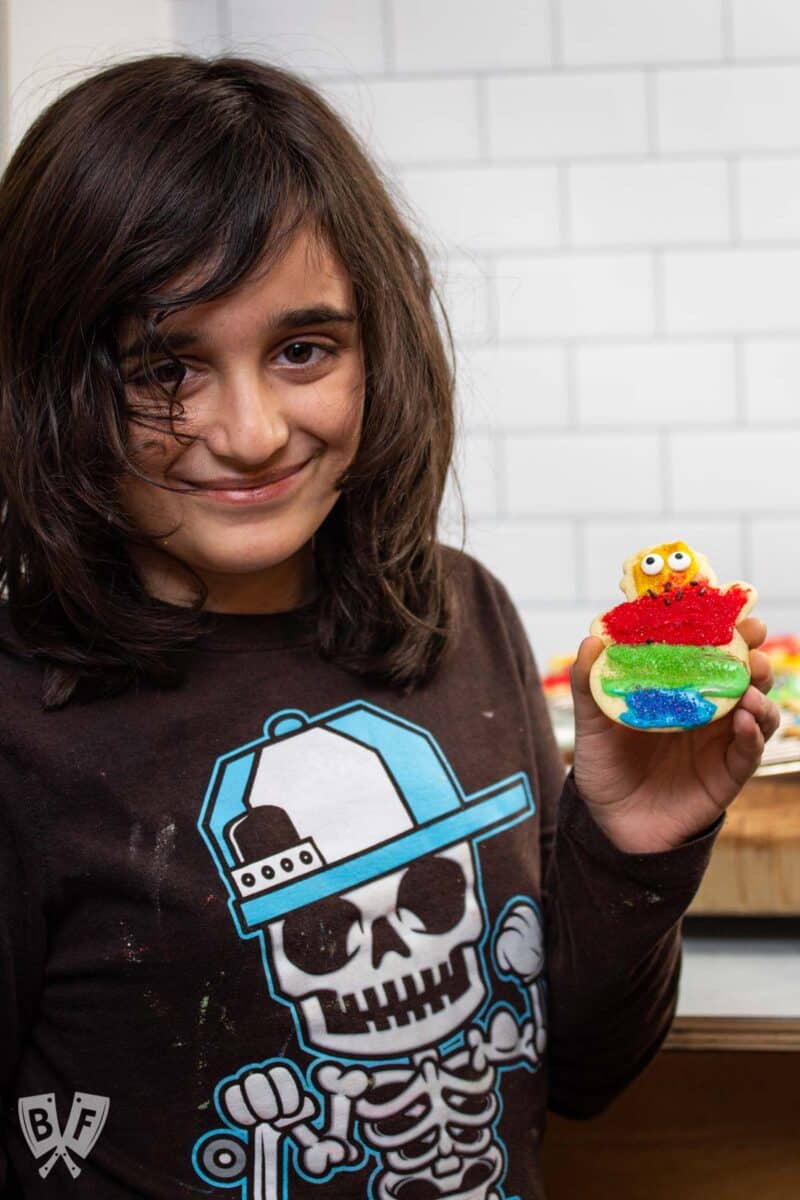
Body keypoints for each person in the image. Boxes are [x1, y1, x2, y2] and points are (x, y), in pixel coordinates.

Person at [0, 54, 779, 1199]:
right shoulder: (21, 719)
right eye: (165, 368)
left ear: (378, 346)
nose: (253, 430)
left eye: (303, 349)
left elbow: (577, 1071)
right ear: (55, 381)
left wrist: (629, 845)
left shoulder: (463, 615)